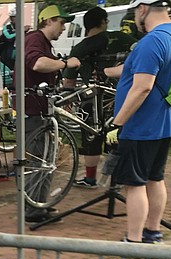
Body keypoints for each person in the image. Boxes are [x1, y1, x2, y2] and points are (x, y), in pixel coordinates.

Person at [108, 0, 171, 243]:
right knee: (155, 178)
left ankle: (133, 240)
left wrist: (118, 122)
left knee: (134, 184)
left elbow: (142, 88)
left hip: (139, 126)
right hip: (164, 122)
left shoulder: (152, 41)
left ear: (143, 9)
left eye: (135, 11)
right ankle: (152, 232)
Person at [62, 7, 137, 189]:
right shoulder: (121, 38)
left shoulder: (79, 48)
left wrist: (68, 100)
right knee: (117, 134)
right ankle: (117, 180)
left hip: (91, 98)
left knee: (91, 137)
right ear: (104, 21)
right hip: (119, 96)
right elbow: (139, 50)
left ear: (86, 25)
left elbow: (69, 81)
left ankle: (90, 179)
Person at [22, 5, 81, 223]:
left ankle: (39, 204)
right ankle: (33, 209)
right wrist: (65, 63)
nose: (64, 28)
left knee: (46, 160)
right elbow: (37, 63)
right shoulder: (35, 40)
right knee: (40, 160)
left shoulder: (42, 42)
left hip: (40, 109)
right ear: (48, 20)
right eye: (61, 22)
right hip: (33, 110)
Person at [0, 6, 31, 87]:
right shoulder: (7, 27)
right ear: (12, 19)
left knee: (20, 85)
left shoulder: (21, 28)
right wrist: (21, 31)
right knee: (8, 86)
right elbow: (8, 37)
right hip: (6, 61)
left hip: (17, 61)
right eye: (16, 17)